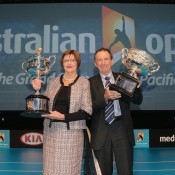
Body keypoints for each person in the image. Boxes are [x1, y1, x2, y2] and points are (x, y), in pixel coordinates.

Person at [32, 50, 92, 175]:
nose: (69, 63)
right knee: (50, 170)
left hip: (72, 136)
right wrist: (37, 91)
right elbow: (44, 104)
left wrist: (63, 117)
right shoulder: (53, 81)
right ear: (62, 63)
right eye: (66, 60)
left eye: (72, 60)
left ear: (77, 63)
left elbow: (87, 111)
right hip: (51, 132)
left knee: (69, 170)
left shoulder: (84, 83)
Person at [89, 47, 143, 175]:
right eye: (99, 60)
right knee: (103, 172)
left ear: (112, 61)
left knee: (125, 171)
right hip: (101, 131)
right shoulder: (89, 83)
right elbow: (88, 109)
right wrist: (105, 98)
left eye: (106, 59)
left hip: (122, 130)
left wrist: (137, 87)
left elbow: (137, 100)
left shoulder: (123, 78)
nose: (103, 62)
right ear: (95, 63)